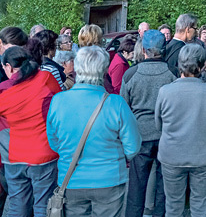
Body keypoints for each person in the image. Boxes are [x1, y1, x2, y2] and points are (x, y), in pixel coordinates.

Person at [46, 46, 142, 217]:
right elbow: (133, 146)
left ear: (76, 67)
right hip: (109, 179)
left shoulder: (58, 101)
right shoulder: (116, 103)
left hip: (71, 179)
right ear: (104, 70)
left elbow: (54, 142)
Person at [155, 44, 206, 217]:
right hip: (203, 156)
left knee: (172, 205)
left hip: (172, 155)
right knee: (200, 204)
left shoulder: (165, 92)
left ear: (179, 64)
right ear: (201, 67)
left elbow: (159, 125)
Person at [120, 30, 176, 217]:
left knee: (136, 185)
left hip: (140, 136)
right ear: (164, 49)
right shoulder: (172, 74)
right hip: (165, 135)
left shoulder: (130, 74)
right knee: (163, 184)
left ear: (143, 49)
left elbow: (124, 110)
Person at [0, 46, 61, 217]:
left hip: (15, 156)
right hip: (44, 154)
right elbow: (60, 105)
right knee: (43, 206)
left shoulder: (3, 92)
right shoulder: (45, 78)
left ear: (9, 67)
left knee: (17, 206)